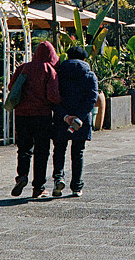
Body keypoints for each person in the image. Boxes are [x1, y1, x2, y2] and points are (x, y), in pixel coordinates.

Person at [8, 41, 60, 198]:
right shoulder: (48, 69)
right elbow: (53, 95)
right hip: (42, 115)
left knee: (24, 149)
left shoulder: (23, 67)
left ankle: (22, 175)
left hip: (22, 115)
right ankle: (39, 187)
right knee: (41, 152)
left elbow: (12, 86)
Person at [52, 46, 99, 198]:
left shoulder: (58, 74)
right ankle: (76, 187)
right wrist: (79, 116)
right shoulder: (89, 75)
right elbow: (92, 98)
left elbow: (53, 96)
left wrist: (65, 116)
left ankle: (58, 178)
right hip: (81, 121)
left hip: (62, 119)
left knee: (59, 150)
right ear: (84, 59)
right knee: (77, 152)